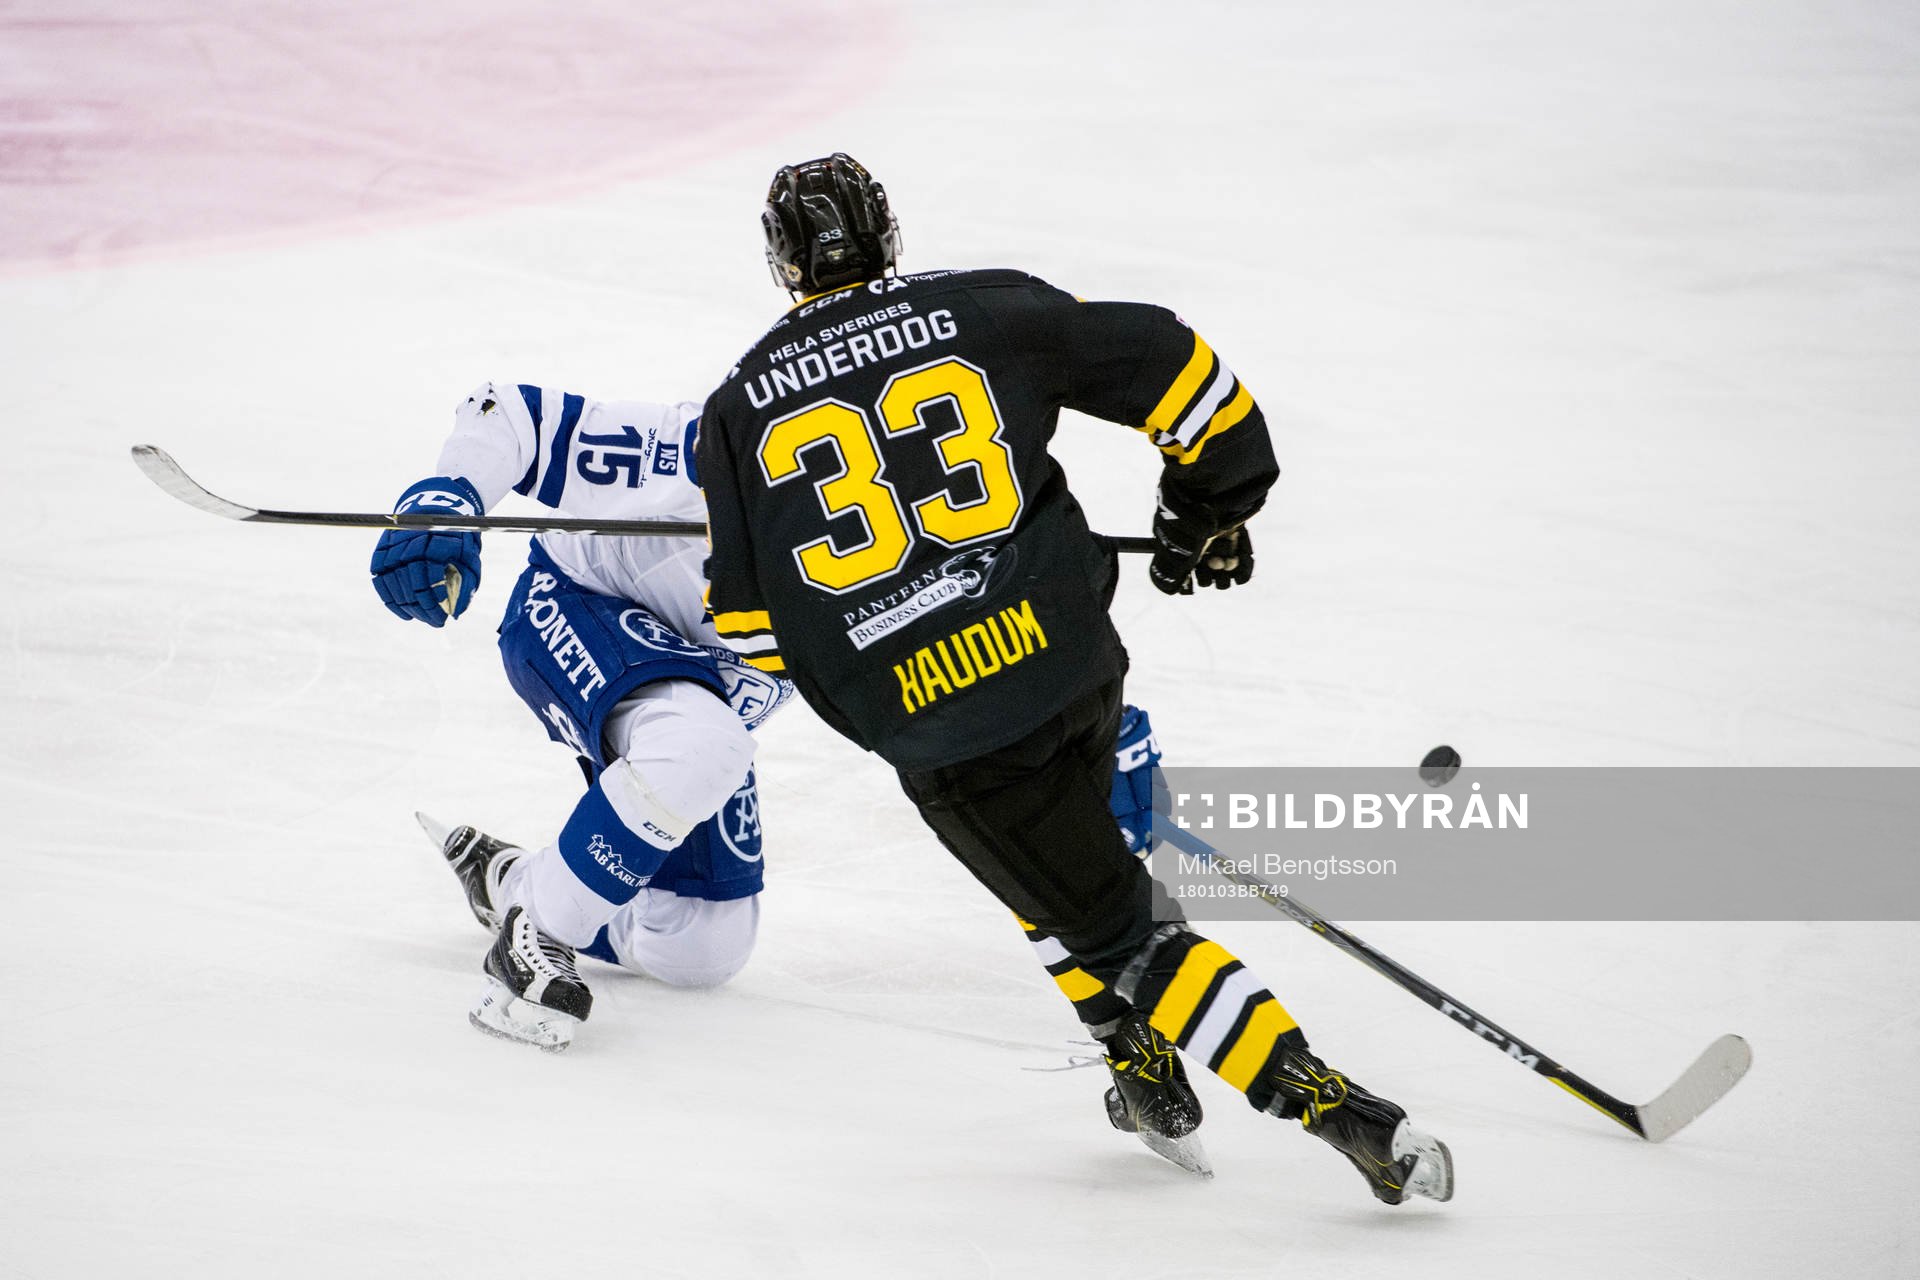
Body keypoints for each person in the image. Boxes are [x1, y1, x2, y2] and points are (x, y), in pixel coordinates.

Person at [697, 153, 1453, 1203]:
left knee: (1120, 929)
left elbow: (748, 628)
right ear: (891, 236)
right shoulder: (988, 310)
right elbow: (1187, 377)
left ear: (780, 262)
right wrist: (1205, 514)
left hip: (957, 735)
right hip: (1074, 667)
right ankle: (1139, 1064)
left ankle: (1331, 1103)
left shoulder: (734, 411)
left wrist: (876, 674)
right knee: (1059, 866)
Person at [369, 382, 790, 1050]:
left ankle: (511, 883)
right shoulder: (703, 452)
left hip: (698, 688)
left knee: (701, 946)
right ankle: (536, 931)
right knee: (702, 745)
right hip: (575, 602)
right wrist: (447, 497)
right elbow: (513, 414)